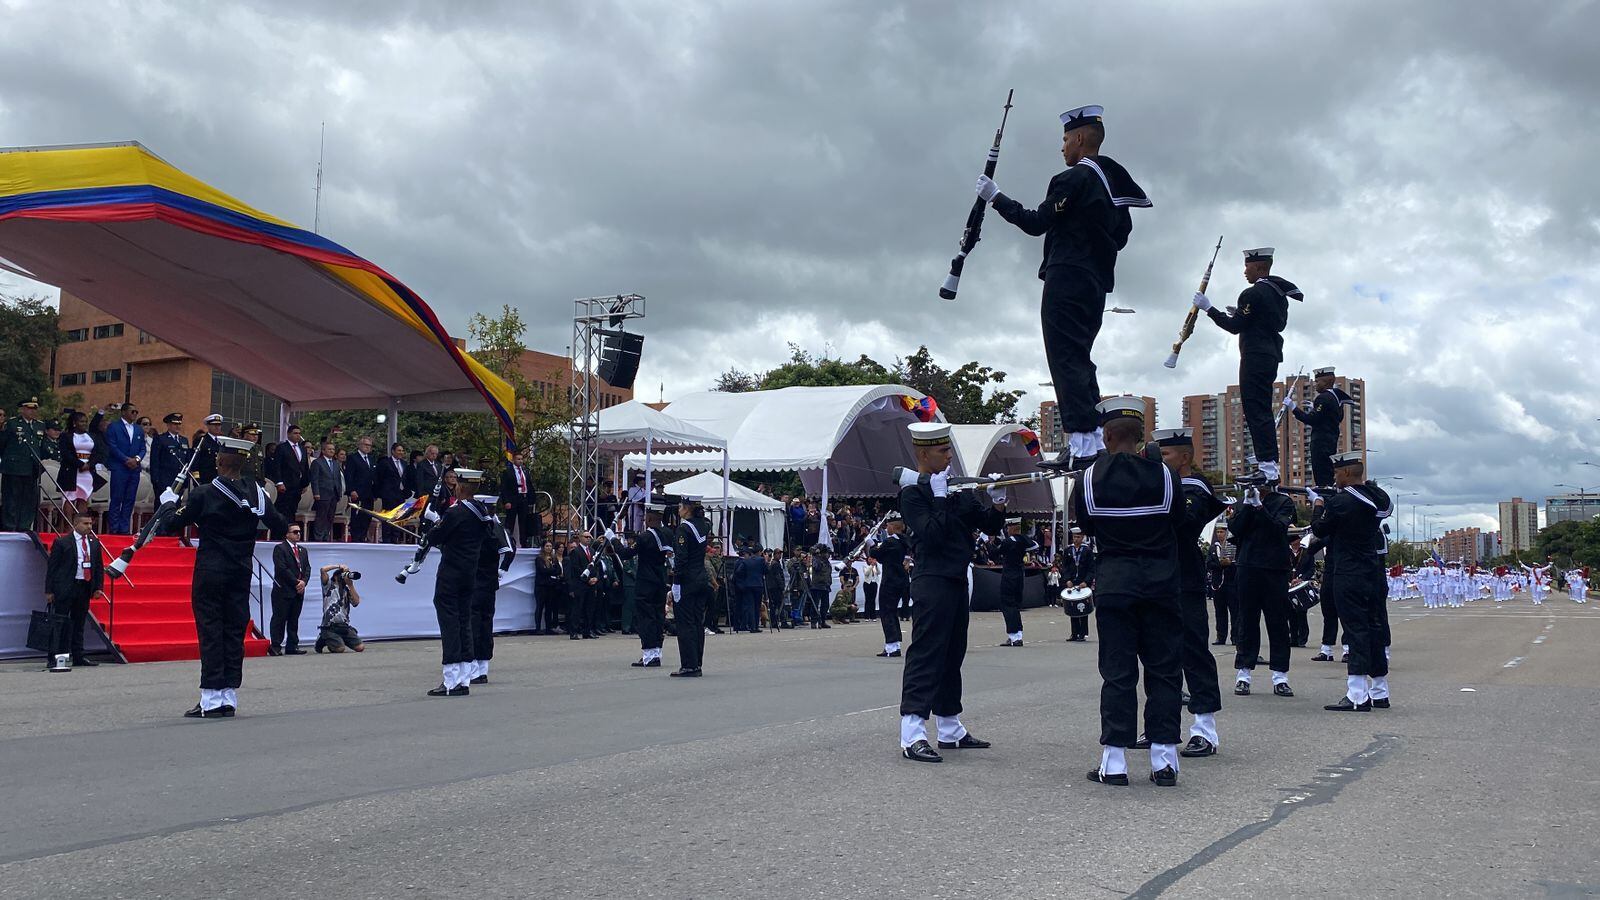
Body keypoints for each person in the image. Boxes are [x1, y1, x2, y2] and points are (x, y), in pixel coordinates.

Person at [981, 104, 1150, 471]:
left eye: (1063, 139)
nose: (1062, 148)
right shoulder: (1114, 188)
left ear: (1077, 138)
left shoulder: (1071, 180)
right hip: (1096, 282)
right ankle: (1088, 437)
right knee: (1081, 358)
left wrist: (996, 198)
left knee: (1064, 357)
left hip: (1067, 276)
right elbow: (1121, 238)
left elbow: (1035, 223)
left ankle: (1081, 442)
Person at [1073, 398, 1186, 786]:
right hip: (1160, 581)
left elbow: (1086, 525)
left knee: (1118, 672)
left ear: (1105, 436)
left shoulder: (1088, 478)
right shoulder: (1167, 476)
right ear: (1141, 438)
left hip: (1115, 581)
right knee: (1164, 670)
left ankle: (1115, 761)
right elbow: (1178, 518)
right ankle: (1164, 760)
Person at [896, 421, 1004, 763]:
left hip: (957, 578)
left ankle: (949, 728)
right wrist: (940, 498)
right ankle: (911, 732)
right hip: (931, 580)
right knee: (927, 654)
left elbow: (987, 524)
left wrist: (998, 503)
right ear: (924, 454)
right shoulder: (913, 494)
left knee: (952, 654)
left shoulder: (957, 490)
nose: (948, 458)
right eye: (943, 452)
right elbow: (932, 534)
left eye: (949, 451)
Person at [166, 435, 288, 717]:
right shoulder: (257, 493)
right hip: (241, 569)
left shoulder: (205, 493)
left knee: (211, 631)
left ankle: (210, 698)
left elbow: (172, 524)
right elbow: (280, 525)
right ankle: (228, 696)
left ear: (219, 463)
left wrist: (170, 502)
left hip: (211, 570)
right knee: (234, 630)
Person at [1193, 248, 1304, 484]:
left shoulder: (1251, 294)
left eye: (1248, 267)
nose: (1245, 272)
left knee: (1255, 411)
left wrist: (1209, 309)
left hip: (1254, 356)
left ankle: (1267, 468)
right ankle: (1268, 465)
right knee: (1260, 410)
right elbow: (1271, 323)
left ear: (1260, 268)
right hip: (1270, 355)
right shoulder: (1278, 293)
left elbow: (1235, 327)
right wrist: (1242, 317)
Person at [1156, 427, 1228, 759]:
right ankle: (1160, 726)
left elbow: (1182, 521)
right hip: (1156, 579)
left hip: (1184, 579)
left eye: (1166, 454)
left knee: (1193, 653)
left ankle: (1205, 729)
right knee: (1159, 657)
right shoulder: (1159, 484)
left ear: (1185, 457)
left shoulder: (1195, 489)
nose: (1159, 458)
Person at [1309, 453, 1394, 711]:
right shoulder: (1375, 498)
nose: (1334, 477)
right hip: (1372, 570)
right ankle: (1380, 691)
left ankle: (1357, 694)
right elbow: (1385, 505)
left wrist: (1319, 504)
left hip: (1348, 572)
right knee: (1375, 628)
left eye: (1337, 473)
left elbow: (1319, 530)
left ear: (1346, 473)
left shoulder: (1342, 502)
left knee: (1355, 630)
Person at [414, 468, 491, 696]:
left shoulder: (456, 512)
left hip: (451, 574)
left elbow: (436, 537)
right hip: (470, 573)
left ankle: (450, 679)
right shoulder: (481, 511)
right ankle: (464, 677)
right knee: (464, 622)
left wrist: (432, 522)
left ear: (460, 486)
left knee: (449, 623)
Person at [1228, 480, 1298, 698]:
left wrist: (1260, 507)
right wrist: (1249, 507)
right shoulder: (1244, 502)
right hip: (1248, 565)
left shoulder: (1284, 502)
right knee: (1246, 621)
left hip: (1275, 568)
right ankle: (1243, 674)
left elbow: (1278, 530)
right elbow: (1235, 529)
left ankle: (1280, 677)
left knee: (1277, 622)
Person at [44, 511, 105, 667]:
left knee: (79, 624)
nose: (89, 527)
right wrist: (49, 590)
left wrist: (98, 587)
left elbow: (98, 566)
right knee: (61, 623)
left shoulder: (94, 543)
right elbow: (52, 568)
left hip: (84, 587)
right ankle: (56, 657)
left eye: (91, 524)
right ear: (75, 524)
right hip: (65, 587)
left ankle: (78, 655)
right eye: (85, 524)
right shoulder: (62, 542)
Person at [467, 517, 516, 685]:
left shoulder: (476, 527)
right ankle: (482, 668)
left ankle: (473, 668)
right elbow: (510, 548)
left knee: (473, 624)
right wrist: (503, 568)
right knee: (486, 623)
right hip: (490, 583)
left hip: (474, 581)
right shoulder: (497, 528)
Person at [671, 496, 714, 677]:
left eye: (680, 506)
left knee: (685, 623)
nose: (679, 509)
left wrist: (676, 582)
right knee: (697, 623)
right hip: (701, 578)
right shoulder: (703, 525)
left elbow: (681, 558)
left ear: (687, 508)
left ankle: (689, 665)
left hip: (687, 580)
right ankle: (697, 663)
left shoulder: (683, 529)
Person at [1290, 366, 1354, 488]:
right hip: (1330, 441)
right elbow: (1336, 417)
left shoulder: (1323, 398)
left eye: (1317, 381)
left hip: (1321, 442)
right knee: (1328, 473)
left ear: (1325, 382)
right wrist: (1315, 407)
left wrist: (1293, 408)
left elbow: (1311, 420)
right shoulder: (1336, 397)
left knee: (1321, 477)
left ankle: (1324, 497)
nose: (1315, 384)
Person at [628, 503, 673, 666]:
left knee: (646, 618)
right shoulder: (668, 533)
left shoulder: (645, 537)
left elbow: (627, 554)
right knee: (658, 617)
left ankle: (648, 654)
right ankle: (656, 653)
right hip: (660, 580)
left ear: (649, 519)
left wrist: (613, 540)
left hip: (646, 582)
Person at [865, 514, 909, 657]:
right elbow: (884, 558)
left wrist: (871, 543)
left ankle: (891, 646)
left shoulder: (890, 541)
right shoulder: (903, 541)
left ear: (893, 527)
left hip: (890, 581)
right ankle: (893, 644)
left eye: (888, 525)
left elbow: (876, 553)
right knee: (892, 612)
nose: (887, 528)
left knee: (886, 612)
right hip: (901, 580)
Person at [994, 515, 1040, 647]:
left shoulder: (1008, 541)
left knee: (1007, 604)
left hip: (1009, 575)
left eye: (1008, 527)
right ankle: (1017, 635)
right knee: (1015, 605)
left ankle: (1013, 635)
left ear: (1012, 528)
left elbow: (995, 553)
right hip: (1020, 574)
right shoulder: (1023, 539)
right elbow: (1035, 545)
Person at [103, 401, 147, 534]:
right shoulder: (114, 427)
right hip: (120, 467)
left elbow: (142, 448)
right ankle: (114, 529)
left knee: (130, 499)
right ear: (123, 412)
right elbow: (112, 446)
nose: (134, 414)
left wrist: (137, 459)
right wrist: (126, 459)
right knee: (117, 498)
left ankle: (124, 529)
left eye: (136, 412)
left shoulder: (138, 429)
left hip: (134, 468)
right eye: (132, 411)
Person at [269, 524, 311, 655]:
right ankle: (275, 646)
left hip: (298, 591)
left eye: (299, 532)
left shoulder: (303, 550)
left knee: (294, 619)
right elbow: (282, 569)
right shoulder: (280, 549)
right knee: (279, 619)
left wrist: (304, 582)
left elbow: (307, 568)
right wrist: (296, 582)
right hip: (284, 590)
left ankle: (292, 645)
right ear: (287, 534)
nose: (298, 534)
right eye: (295, 532)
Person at [55, 410, 104, 515]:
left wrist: (90, 464)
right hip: (71, 471)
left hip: (87, 472)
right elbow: (66, 453)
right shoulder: (66, 436)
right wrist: (80, 464)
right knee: (69, 498)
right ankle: (69, 526)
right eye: (81, 421)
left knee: (83, 498)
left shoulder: (91, 436)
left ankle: (80, 525)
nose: (84, 424)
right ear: (74, 423)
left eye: (86, 421)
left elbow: (98, 453)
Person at [313, 564, 364, 653]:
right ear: (336, 576)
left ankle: (336, 641)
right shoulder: (328, 586)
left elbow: (356, 602)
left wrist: (350, 585)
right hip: (330, 626)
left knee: (360, 647)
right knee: (340, 649)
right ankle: (323, 639)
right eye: (343, 575)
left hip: (344, 626)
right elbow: (323, 570)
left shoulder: (347, 590)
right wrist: (339, 566)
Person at [271, 424, 309, 536]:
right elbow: (277, 466)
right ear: (288, 434)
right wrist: (279, 482)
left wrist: (305, 483)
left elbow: (305, 466)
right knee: (283, 510)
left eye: (299, 433)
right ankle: (280, 534)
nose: (298, 436)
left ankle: (290, 534)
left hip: (297, 485)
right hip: (285, 485)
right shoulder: (282, 448)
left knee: (292, 510)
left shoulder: (302, 448)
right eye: (295, 433)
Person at [498, 450, 540, 548]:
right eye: (518, 459)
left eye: (521, 459)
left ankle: (523, 542)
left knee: (524, 521)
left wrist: (531, 498)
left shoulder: (525, 470)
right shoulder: (508, 471)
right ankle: (507, 542)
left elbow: (529, 484)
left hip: (523, 497)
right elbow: (504, 488)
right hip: (513, 498)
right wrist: (506, 501)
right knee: (510, 521)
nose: (520, 461)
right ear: (513, 460)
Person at [564, 530, 600, 640]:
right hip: (580, 584)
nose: (588, 538)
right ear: (580, 538)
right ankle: (574, 631)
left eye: (590, 537)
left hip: (591, 585)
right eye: (586, 537)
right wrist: (587, 579)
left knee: (589, 608)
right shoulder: (576, 551)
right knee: (577, 608)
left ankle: (587, 631)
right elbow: (576, 568)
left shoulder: (593, 551)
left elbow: (596, 566)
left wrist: (595, 578)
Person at [1061, 528, 1096, 641]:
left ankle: (1083, 633)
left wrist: (1086, 581)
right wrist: (1067, 579)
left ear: (1082, 537)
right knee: (1072, 608)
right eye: (1074, 537)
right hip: (1072, 582)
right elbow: (1065, 567)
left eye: (1078, 537)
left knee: (1082, 608)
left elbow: (1091, 568)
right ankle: (1074, 633)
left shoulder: (1087, 551)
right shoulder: (1068, 550)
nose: (1076, 539)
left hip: (1083, 582)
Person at [373, 442, 411, 543]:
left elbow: (405, 478)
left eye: (402, 451)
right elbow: (378, 478)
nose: (401, 452)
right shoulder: (385, 463)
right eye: (399, 450)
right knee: (388, 517)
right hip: (388, 495)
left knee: (398, 517)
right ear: (393, 451)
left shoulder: (403, 463)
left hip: (400, 495)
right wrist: (380, 492)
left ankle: (396, 538)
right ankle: (387, 539)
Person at [344, 435, 377, 543]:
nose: (368, 447)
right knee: (357, 518)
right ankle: (356, 538)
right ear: (360, 445)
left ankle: (363, 537)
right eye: (366, 445)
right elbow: (349, 476)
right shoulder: (353, 458)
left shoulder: (371, 459)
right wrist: (351, 490)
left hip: (369, 493)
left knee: (366, 518)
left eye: (370, 445)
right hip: (358, 493)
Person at [150, 413, 192, 497]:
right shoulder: (161, 439)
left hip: (180, 480)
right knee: (162, 506)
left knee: (176, 506)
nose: (178, 426)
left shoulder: (184, 440)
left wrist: (186, 479)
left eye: (179, 424)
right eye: (175, 424)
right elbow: (154, 461)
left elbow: (187, 460)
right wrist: (156, 480)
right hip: (164, 480)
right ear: (168, 425)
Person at [308, 442, 343, 542]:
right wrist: (316, 493)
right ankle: (318, 538)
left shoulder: (336, 464)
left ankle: (325, 536)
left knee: (330, 517)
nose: (332, 451)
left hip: (334, 494)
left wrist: (339, 493)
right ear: (323, 451)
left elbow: (338, 479)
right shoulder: (317, 462)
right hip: (322, 493)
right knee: (321, 516)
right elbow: (314, 479)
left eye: (333, 449)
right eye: (329, 449)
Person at [733, 545, 767, 633]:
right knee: (757, 606)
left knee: (750, 606)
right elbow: (766, 571)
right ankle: (755, 626)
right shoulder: (761, 560)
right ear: (760, 552)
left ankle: (752, 626)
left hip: (748, 585)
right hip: (758, 585)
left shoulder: (746, 561)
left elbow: (738, 572)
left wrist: (745, 578)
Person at [191, 414, 224, 484]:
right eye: (214, 425)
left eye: (219, 425)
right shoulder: (201, 440)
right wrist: (197, 479)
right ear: (208, 426)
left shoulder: (223, 442)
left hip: (220, 479)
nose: (217, 427)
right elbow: (195, 461)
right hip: (205, 479)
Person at [807, 544, 834, 630]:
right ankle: (814, 622)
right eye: (827, 553)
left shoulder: (827, 562)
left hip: (825, 586)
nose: (828, 555)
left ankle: (823, 621)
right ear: (823, 553)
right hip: (817, 586)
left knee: (825, 605)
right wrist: (816, 555)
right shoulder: (816, 560)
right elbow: (816, 567)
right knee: (815, 604)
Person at [763, 548, 787, 632]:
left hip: (771, 587)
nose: (780, 555)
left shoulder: (772, 564)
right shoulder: (775, 564)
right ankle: (782, 621)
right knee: (780, 604)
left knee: (774, 605)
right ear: (775, 554)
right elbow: (778, 577)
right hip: (776, 588)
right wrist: (782, 587)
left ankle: (774, 621)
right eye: (778, 553)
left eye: (780, 553)